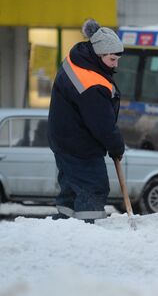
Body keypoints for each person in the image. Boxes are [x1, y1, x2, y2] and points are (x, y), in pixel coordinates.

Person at [48, 19, 125, 223]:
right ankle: (87, 230)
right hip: (80, 145)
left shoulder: (78, 59)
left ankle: (64, 228)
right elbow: (102, 123)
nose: (115, 64)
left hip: (64, 140)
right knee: (93, 187)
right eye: (111, 59)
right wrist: (116, 147)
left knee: (72, 189)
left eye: (117, 59)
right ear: (99, 54)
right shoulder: (92, 84)